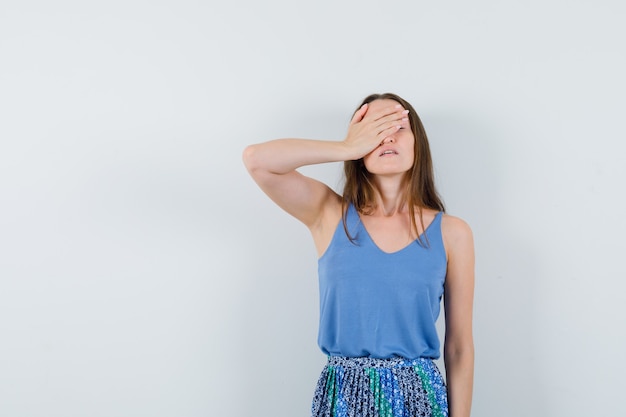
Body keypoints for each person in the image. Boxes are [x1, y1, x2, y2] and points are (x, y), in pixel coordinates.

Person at [242, 93, 474, 417]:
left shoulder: (452, 233)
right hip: (343, 398)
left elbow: (459, 347)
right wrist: (346, 147)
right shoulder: (329, 214)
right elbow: (257, 159)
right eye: (375, 128)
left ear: (417, 143)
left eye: (397, 126)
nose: (387, 135)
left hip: (419, 398)